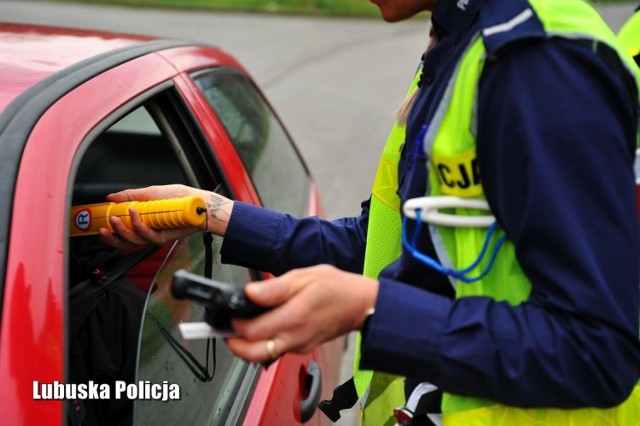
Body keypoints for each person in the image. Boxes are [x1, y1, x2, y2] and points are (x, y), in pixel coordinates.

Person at [101, 0, 640, 424]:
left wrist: (370, 310)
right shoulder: (460, 48)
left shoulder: (534, 63)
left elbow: (598, 350)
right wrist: (209, 212)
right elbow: (388, 243)